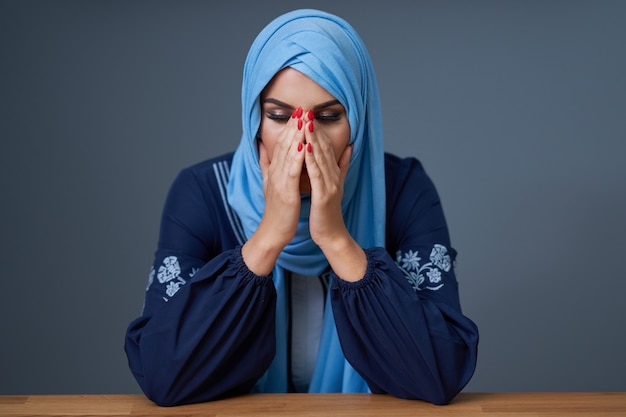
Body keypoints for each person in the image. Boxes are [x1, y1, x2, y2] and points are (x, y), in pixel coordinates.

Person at [125, 9, 479, 407]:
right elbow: (162, 375)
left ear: (359, 121)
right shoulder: (204, 193)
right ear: (254, 120)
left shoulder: (401, 190)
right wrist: (268, 236)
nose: (305, 140)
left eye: (328, 117)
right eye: (279, 116)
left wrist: (336, 239)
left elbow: (441, 371)